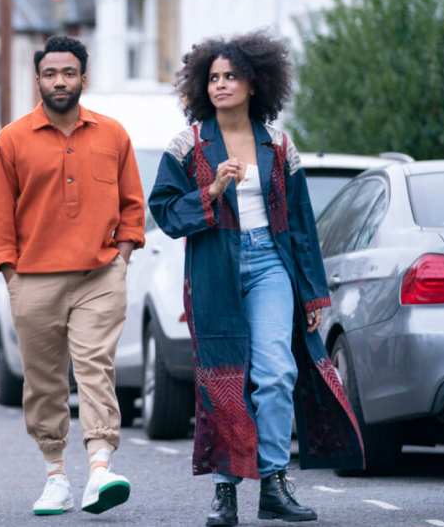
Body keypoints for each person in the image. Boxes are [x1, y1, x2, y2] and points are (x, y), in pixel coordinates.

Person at [147, 31, 365, 526]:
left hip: (271, 264)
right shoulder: (189, 145)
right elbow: (165, 213)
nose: (221, 85)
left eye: (232, 76)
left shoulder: (279, 145)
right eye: (214, 77)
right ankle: (225, 490)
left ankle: (273, 483)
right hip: (213, 269)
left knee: (277, 372)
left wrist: (313, 293)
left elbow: (303, 225)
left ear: (255, 83)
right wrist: (213, 188)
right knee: (224, 379)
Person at [0, 36, 145, 516]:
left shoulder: (113, 135)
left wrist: (123, 256)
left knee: (95, 365)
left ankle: (99, 466)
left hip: (100, 274)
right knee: (44, 379)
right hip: (34, 279)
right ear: (38, 79)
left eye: (69, 73)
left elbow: (133, 205)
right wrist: (11, 274)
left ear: (83, 78)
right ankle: (56, 473)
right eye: (51, 74)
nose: (60, 82)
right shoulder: (11, 140)